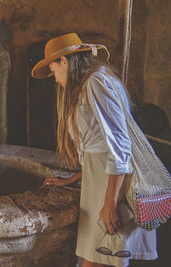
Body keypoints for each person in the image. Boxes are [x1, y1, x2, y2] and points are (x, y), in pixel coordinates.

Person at [31, 33, 157, 267]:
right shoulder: (89, 85)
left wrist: (110, 203)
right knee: (96, 259)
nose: (55, 79)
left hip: (110, 188)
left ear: (65, 61)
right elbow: (97, 148)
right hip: (99, 183)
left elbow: (120, 145)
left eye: (54, 70)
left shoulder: (95, 83)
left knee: (98, 260)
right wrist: (74, 179)